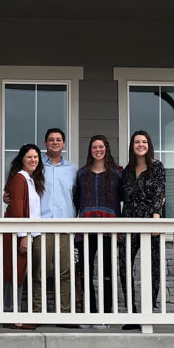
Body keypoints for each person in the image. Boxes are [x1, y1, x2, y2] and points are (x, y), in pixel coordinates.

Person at [4, 128, 77, 316]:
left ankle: (64, 314)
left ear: (64, 143)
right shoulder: (36, 166)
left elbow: (78, 196)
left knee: (65, 273)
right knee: (38, 272)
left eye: (58, 139)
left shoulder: (73, 169)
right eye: (51, 139)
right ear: (45, 143)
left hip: (65, 226)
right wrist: (8, 195)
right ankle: (37, 312)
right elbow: (18, 187)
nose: (55, 142)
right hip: (40, 228)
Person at [118, 130, 166, 330]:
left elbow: (160, 193)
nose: (140, 145)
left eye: (144, 142)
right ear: (132, 146)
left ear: (149, 145)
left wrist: (156, 218)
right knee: (123, 265)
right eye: (137, 142)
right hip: (129, 221)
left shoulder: (157, 167)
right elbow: (121, 195)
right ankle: (133, 312)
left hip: (150, 222)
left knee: (153, 268)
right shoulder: (127, 170)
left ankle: (149, 312)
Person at [73, 135, 122, 322]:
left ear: (106, 149)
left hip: (109, 230)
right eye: (94, 147)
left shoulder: (117, 174)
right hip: (85, 230)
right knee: (85, 273)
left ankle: (105, 315)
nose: (98, 150)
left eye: (101, 146)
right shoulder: (82, 173)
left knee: (106, 273)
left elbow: (125, 197)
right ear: (90, 150)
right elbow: (77, 200)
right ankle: (90, 313)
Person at [2, 143, 45, 330]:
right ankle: (13, 316)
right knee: (15, 273)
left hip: (24, 233)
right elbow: (19, 210)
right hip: (17, 234)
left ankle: (12, 314)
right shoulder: (20, 179)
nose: (33, 160)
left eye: (36, 157)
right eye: (29, 157)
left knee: (18, 274)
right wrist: (24, 235)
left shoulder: (29, 179)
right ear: (22, 159)